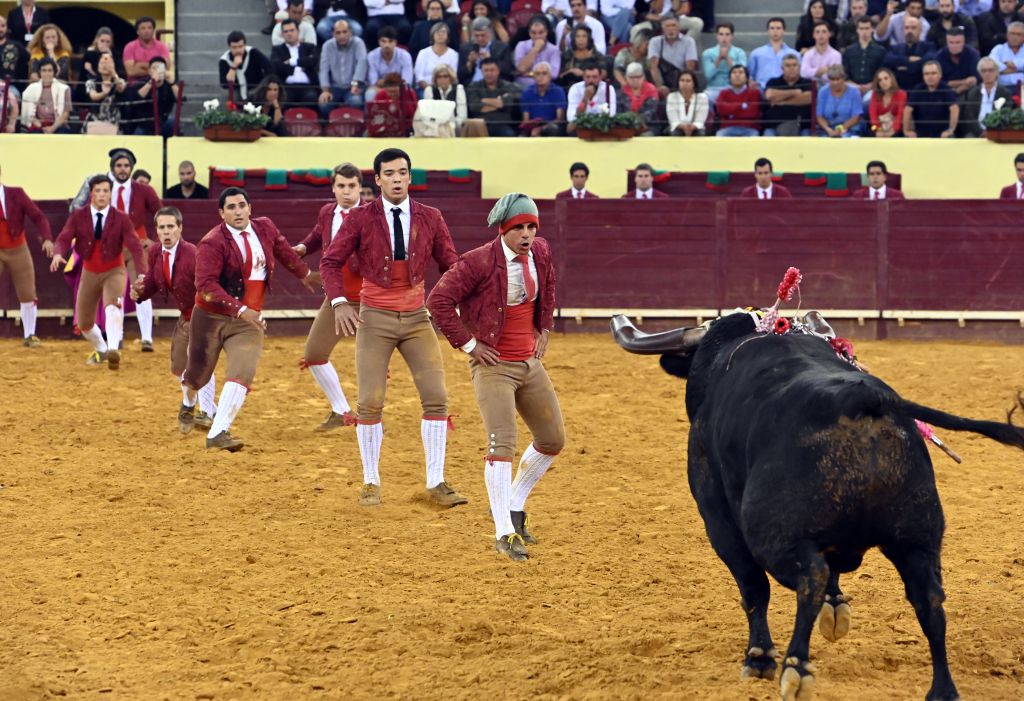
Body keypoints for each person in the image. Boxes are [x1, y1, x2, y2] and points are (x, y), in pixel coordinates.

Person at [319, 147, 465, 508]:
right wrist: (338, 302)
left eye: (403, 172)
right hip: (375, 317)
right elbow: (330, 262)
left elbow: (451, 264)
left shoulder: (430, 216)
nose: (397, 178)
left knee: (436, 396)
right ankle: (370, 481)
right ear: (378, 179)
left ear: (410, 177)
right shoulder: (360, 218)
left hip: (417, 316)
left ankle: (437, 482)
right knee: (369, 401)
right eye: (390, 173)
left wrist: (461, 301)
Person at [426, 193, 564, 562]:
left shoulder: (542, 252)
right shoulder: (477, 262)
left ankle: (513, 504)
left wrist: (544, 328)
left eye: (531, 226)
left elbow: (548, 288)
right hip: (493, 365)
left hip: (529, 362)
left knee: (552, 439)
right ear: (503, 229)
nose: (526, 234)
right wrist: (470, 345)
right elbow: (438, 301)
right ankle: (504, 532)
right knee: (502, 445)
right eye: (518, 227)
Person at [181, 187, 319, 451]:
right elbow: (205, 285)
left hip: (248, 321)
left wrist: (304, 273)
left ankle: (218, 431)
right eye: (231, 207)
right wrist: (241, 309)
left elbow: (283, 250)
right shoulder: (212, 242)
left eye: (241, 205)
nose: (238, 211)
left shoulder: (264, 228)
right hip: (211, 318)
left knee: (243, 371)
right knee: (197, 376)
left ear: (250, 208)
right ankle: (188, 403)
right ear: (222, 213)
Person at [130, 206, 218, 431]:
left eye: (171, 227)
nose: (166, 232)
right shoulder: (155, 253)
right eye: (162, 228)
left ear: (180, 229)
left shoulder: (193, 253)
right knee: (180, 367)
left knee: (199, 362)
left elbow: (209, 284)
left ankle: (206, 411)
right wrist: (139, 293)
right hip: (185, 317)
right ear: (156, 231)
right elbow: (152, 281)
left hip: (204, 314)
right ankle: (191, 404)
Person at [292, 163, 362, 431]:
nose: (346, 192)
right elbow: (317, 236)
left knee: (373, 360)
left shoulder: (371, 214)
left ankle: (370, 416)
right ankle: (341, 410)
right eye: (341, 186)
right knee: (314, 353)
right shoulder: (327, 212)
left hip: (370, 297)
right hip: (337, 296)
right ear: (333, 188)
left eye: (352, 186)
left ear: (360, 187)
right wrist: (301, 248)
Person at [50, 175, 145, 369]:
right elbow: (64, 237)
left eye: (106, 191)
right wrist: (58, 253)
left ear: (110, 194)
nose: (102, 195)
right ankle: (102, 349)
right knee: (84, 323)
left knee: (113, 306)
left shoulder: (121, 218)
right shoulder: (78, 215)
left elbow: (135, 246)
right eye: (98, 191)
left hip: (115, 270)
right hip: (89, 273)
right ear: (91, 193)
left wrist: (142, 272)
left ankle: (113, 349)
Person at [0, 163, 53, 347]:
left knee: (27, 292)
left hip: (17, 248)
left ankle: (29, 334)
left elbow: (38, 216)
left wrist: (47, 238)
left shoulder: (16, 194)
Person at [318, 20, 368, 115]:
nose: (342, 36)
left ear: (350, 32)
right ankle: (330, 128)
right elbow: (323, 69)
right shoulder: (327, 46)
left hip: (353, 86)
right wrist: (325, 90)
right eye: (338, 33)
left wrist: (355, 84)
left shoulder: (358, 43)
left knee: (355, 101)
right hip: (335, 87)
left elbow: (362, 64)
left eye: (345, 32)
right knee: (323, 104)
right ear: (333, 34)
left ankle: (358, 128)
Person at [270, 19, 318, 107]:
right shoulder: (277, 49)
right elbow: (276, 66)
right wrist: (302, 63)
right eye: (286, 31)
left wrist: (293, 62)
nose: (289, 34)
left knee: (311, 97)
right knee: (284, 99)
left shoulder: (309, 47)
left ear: (298, 31)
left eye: (292, 30)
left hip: (307, 86)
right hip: (287, 86)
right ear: (282, 34)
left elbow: (312, 61)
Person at [466, 57, 521, 136]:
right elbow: (474, 107)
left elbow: (507, 104)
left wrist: (483, 101)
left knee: (509, 135)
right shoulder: (474, 86)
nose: (489, 73)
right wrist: (498, 103)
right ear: (481, 72)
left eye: (492, 70)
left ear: (498, 71)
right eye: (486, 70)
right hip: (480, 125)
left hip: (502, 124)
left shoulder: (509, 86)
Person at [904, 59, 959, 136]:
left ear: (940, 75)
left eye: (933, 73)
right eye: (926, 74)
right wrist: (906, 130)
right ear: (923, 76)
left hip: (942, 135)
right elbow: (908, 109)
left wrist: (950, 130)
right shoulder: (918, 89)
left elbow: (954, 108)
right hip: (921, 134)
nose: (930, 77)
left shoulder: (946, 89)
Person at [960, 55, 1013, 135]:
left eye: (991, 70)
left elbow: (1006, 115)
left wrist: (993, 132)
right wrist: (981, 132)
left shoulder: (1005, 93)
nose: (987, 74)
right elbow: (969, 116)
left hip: (998, 133)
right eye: (984, 71)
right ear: (980, 74)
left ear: (997, 72)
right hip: (976, 133)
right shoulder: (973, 93)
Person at [649, 15, 698, 98]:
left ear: (678, 27)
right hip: (662, 78)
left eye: (673, 25)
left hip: (681, 78)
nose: (671, 29)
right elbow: (653, 66)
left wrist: (684, 84)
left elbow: (690, 65)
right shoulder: (655, 41)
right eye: (668, 26)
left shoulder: (689, 41)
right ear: (662, 28)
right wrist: (660, 86)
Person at [763, 55, 813, 136]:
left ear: (799, 67)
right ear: (782, 68)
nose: (792, 68)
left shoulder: (807, 82)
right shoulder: (773, 82)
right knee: (767, 137)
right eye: (788, 66)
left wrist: (782, 101)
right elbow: (770, 95)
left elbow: (808, 98)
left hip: (802, 126)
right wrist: (795, 92)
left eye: (794, 65)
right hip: (774, 126)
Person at [883, 15, 936, 90]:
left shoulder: (929, 46)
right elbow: (887, 60)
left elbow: (929, 60)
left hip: (920, 90)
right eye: (906, 28)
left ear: (920, 30)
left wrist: (902, 66)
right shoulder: (895, 48)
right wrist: (908, 60)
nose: (909, 31)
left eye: (913, 28)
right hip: (897, 89)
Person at [20, 58, 70, 133]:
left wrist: (52, 128)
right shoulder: (31, 88)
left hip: (57, 125)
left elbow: (66, 113)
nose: (47, 74)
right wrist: (40, 126)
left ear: (54, 72)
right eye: (44, 70)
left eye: (50, 70)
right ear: (39, 72)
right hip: (38, 125)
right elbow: (28, 112)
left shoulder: (64, 89)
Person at [459, 16, 513, 85]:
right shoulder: (466, 48)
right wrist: (470, 64)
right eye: (477, 36)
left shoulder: (502, 48)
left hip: (496, 85)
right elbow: (460, 75)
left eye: (483, 35)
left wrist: (491, 59)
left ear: (490, 33)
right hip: (471, 85)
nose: (480, 39)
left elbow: (508, 71)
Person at [565, 61, 616, 134]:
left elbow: (611, 115)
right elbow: (572, 118)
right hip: (582, 126)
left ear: (600, 77)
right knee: (570, 127)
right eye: (588, 77)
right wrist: (585, 98)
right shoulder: (575, 89)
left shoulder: (608, 89)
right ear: (583, 77)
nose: (591, 80)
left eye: (594, 77)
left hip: (602, 126)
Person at [219, 32, 272, 102]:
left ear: (245, 45)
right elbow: (224, 84)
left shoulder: (253, 53)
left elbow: (269, 68)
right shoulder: (224, 60)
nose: (238, 50)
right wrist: (233, 67)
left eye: (240, 46)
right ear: (229, 47)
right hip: (237, 91)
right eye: (234, 47)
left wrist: (263, 85)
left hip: (256, 89)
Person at [133, 57, 180, 136]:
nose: (157, 71)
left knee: (172, 122)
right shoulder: (143, 83)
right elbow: (137, 98)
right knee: (138, 134)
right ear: (149, 71)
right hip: (145, 123)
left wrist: (172, 83)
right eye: (154, 68)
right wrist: (151, 83)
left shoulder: (169, 84)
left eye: (160, 68)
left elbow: (180, 99)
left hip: (163, 120)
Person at [749, 17, 801, 88]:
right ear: (768, 31)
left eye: (778, 28)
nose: (775, 31)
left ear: (784, 31)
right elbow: (750, 75)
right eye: (772, 28)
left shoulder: (794, 54)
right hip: (762, 89)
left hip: (786, 90)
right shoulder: (756, 53)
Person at [83, 51, 129, 132]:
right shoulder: (91, 81)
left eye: (108, 63)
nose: (105, 66)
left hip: (115, 121)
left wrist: (113, 72)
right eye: (102, 63)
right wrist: (104, 93)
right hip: (95, 120)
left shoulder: (120, 81)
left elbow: (121, 88)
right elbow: (93, 96)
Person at [701, 22, 746, 102]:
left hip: (735, 88)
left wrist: (728, 58)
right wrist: (719, 59)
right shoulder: (708, 53)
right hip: (713, 88)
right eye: (721, 34)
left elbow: (742, 74)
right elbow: (708, 76)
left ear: (732, 36)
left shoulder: (740, 52)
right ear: (717, 36)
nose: (724, 37)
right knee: (703, 98)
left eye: (727, 34)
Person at [843, 15, 888, 93]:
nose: (864, 31)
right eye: (861, 28)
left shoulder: (880, 51)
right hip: (852, 88)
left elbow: (883, 72)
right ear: (857, 30)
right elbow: (845, 73)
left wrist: (871, 85)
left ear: (872, 29)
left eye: (867, 28)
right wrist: (855, 86)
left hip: (874, 89)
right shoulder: (849, 51)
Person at [817, 64, 864, 136]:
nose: (835, 83)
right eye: (832, 79)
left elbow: (856, 116)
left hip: (849, 129)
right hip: (828, 130)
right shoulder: (823, 92)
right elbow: (819, 116)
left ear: (843, 78)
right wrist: (828, 129)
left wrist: (841, 128)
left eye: (838, 79)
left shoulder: (854, 92)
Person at [520, 61, 566, 136]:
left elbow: (560, 119)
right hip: (533, 126)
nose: (541, 76)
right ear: (534, 77)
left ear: (550, 76)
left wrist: (541, 129)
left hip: (552, 125)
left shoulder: (558, 91)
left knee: (553, 129)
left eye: (544, 73)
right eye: (537, 74)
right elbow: (526, 120)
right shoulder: (527, 92)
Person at [514, 17, 561, 89]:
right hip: (523, 86)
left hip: (546, 87)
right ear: (529, 33)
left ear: (546, 32)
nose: (537, 36)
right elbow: (521, 69)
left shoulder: (554, 49)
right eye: (533, 33)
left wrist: (529, 73)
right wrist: (535, 49)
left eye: (541, 32)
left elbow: (554, 74)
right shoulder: (521, 45)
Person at [366, 72, 418, 136]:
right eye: (390, 92)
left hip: (406, 130)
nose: (393, 94)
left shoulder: (410, 94)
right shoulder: (380, 95)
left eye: (395, 92)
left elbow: (414, 115)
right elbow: (375, 115)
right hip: (385, 130)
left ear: (401, 88)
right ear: (385, 89)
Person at [715, 64, 761, 136]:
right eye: (734, 72)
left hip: (749, 128)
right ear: (729, 78)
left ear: (746, 78)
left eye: (741, 72)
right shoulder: (723, 93)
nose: (737, 75)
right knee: (719, 136)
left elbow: (752, 113)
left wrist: (730, 113)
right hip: (727, 128)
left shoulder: (754, 93)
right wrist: (742, 106)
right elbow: (721, 110)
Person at [123, 16, 171, 84]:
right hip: (136, 85)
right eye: (143, 28)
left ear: (153, 30)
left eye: (149, 28)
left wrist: (140, 65)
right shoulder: (129, 47)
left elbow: (166, 68)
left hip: (158, 84)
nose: (146, 31)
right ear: (137, 31)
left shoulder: (162, 46)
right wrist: (155, 68)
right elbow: (131, 72)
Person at [415, 22, 459, 92]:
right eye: (437, 32)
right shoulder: (423, 53)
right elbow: (419, 77)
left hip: (447, 89)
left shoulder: (453, 54)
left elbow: (453, 75)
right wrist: (431, 90)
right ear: (432, 35)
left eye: (443, 32)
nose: (440, 34)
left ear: (448, 35)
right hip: (425, 89)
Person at [934, 26, 980, 94]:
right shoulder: (939, 56)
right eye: (951, 43)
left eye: (957, 42)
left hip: (969, 92)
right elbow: (938, 82)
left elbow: (974, 80)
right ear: (947, 42)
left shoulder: (973, 54)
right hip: (945, 93)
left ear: (964, 42)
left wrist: (956, 90)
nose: (954, 46)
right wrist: (964, 82)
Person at [423, 63, 467, 133]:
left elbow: (462, 115)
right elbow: (428, 115)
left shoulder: (459, 89)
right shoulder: (429, 90)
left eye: (445, 76)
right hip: (434, 128)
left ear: (451, 78)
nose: (442, 79)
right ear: (435, 79)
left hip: (456, 127)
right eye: (439, 77)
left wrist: (451, 126)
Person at [665, 69, 709, 136]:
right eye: (682, 80)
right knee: (676, 133)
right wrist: (683, 127)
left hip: (695, 128)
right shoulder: (671, 97)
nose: (684, 83)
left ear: (693, 83)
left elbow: (700, 120)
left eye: (688, 81)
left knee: (699, 134)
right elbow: (673, 120)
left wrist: (692, 127)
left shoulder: (702, 97)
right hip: (678, 128)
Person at [557, 25, 603, 89]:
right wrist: (570, 72)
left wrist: (583, 74)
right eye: (578, 36)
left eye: (584, 36)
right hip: (567, 89)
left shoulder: (597, 57)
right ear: (574, 39)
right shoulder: (567, 55)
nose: (581, 39)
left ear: (588, 39)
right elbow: (559, 77)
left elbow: (602, 77)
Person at [869, 66, 908, 135]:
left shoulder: (901, 94)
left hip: (896, 129)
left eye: (886, 78)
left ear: (891, 79)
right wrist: (877, 130)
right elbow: (873, 115)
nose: (883, 82)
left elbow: (900, 115)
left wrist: (893, 130)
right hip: (879, 128)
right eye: (880, 80)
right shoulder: (875, 94)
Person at [617, 61, 658, 127]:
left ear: (643, 77)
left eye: (638, 77)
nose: (635, 80)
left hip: (648, 125)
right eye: (631, 77)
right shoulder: (621, 92)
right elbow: (619, 111)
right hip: (625, 125)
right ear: (626, 78)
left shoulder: (651, 89)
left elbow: (651, 111)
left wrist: (636, 120)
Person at [801, 22, 843, 86]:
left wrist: (812, 73)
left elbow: (834, 75)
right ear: (813, 35)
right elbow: (803, 73)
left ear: (829, 34)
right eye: (817, 32)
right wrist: (819, 71)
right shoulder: (808, 54)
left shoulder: (836, 55)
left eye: (824, 32)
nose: (821, 35)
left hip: (830, 88)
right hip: (810, 87)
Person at [990, 19, 1024, 86]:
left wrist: (1015, 64)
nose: (1015, 37)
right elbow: (992, 65)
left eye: (1019, 34)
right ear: (1007, 35)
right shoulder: (998, 49)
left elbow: (999, 68)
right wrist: (1020, 69)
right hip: (1002, 88)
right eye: (1012, 34)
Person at [0, 16, 30, 86]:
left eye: (3, 26)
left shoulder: (17, 46)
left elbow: (28, 62)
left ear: (7, 27)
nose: (0, 29)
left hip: (11, 87)